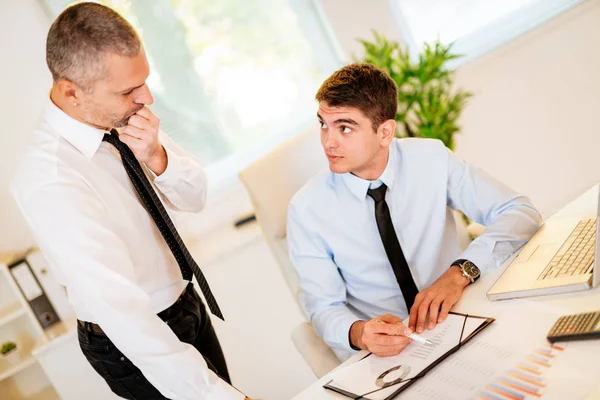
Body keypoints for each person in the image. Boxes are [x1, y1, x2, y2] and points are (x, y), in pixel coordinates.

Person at [11, 3, 249, 399]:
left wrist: (158, 157)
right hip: (130, 344)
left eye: (144, 81)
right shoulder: (50, 181)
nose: (147, 97)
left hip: (184, 304)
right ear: (71, 91)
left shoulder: (120, 117)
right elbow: (122, 313)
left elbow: (195, 197)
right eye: (128, 90)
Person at [287, 63, 542, 360]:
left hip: (463, 315)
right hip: (390, 353)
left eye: (344, 128)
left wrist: (459, 272)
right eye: (323, 125)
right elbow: (323, 307)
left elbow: (519, 211)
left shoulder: (430, 159)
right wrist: (359, 332)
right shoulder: (305, 209)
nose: (328, 142)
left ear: (385, 132)